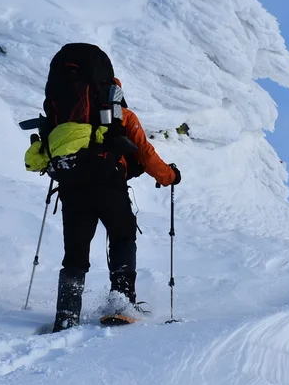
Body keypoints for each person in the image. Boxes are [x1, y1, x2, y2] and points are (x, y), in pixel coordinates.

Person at [23, 43, 180, 332]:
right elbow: (144, 153)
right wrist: (169, 176)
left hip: (72, 188)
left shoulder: (61, 119)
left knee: (75, 254)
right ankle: (120, 302)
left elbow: (40, 159)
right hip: (109, 183)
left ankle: (67, 314)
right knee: (122, 236)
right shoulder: (119, 116)